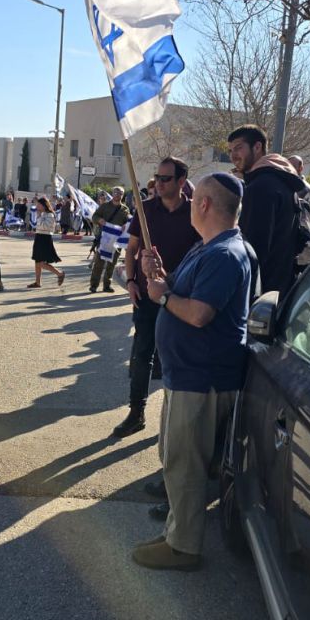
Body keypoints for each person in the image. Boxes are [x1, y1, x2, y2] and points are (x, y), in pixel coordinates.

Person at [132, 173, 251, 571]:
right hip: (190, 375)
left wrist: (163, 295)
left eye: (191, 195)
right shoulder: (212, 248)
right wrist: (158, 274)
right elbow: (183, 293)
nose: (185, 198)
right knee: (177, 456)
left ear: (203, 205)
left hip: (202, 379)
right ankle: (177, 531)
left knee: (185, 463)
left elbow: (199, 314)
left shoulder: (224, 254)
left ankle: (183, 546)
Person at [114, 157, 200, 439]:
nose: (159, 183)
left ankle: (173, 420)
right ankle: (136, 413)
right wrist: (130, 281)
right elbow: (132, 249)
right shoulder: (145, 208)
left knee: (176, 360)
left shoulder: (196, 212)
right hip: (147, 294)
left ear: (181, 182)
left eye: (166, 179)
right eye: (157, 177)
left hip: (180, 297)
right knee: (142, 355)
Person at [228, 125, 307, 297]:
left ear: (257, 147)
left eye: (239, 148)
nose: (233, 156)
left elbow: (252, 250)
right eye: (230, 150)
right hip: (279, 288)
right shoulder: (281, 182)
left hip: (260, 294)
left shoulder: (261, 187)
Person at [89, 186, 130, 293]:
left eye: (120, 193)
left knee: (112, 264)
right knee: (99, 262)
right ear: (112, 193)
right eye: (116, 192)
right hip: (105, 238)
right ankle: (94, 285)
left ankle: (107, 285)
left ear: (122, 195)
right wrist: (100, 220)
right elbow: (94, 217)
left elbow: (128, 223)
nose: (117, 195)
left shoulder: (125, 209)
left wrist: (126, 226)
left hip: (116, 240)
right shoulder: (105, 206)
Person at [28, 197, 65, 288]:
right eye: (37, 204)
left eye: (39, 204)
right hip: (39, 237)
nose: (37, 206)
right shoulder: (41, 214)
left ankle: (59, 274)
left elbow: (45, 226)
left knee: (41, 263)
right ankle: (37, 282)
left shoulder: (50, 215)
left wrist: (40, 217)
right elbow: (38, 226)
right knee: (37, 261)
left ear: (44, 205)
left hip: (45, 239)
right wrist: (39, 216)